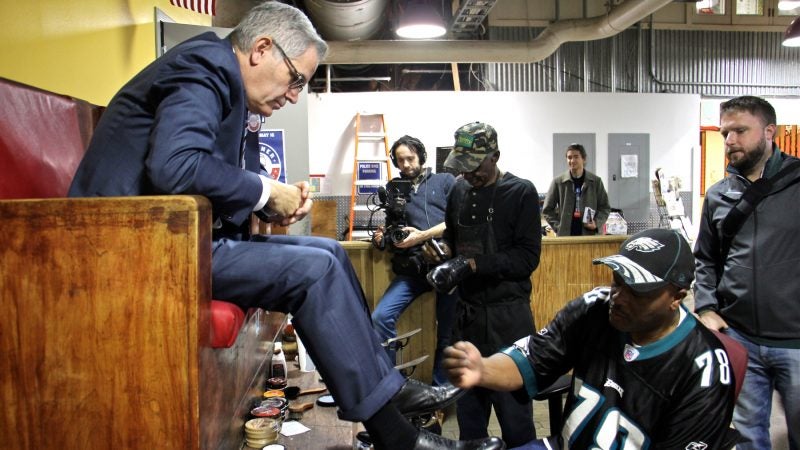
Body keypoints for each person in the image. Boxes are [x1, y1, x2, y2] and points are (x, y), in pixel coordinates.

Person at [66, 3, 503, 450]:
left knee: (328, 252)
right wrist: (266, 192)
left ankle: (388, 390)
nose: (295, 95)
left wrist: (272, 206)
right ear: (261, 49)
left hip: (171, 241)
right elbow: (175, 166)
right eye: (296, 79)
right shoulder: (204, 67)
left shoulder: (231, 86)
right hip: (125, 248)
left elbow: (213, 183)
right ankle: (397, 437)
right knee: (314, 270)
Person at [443, 228, 743, 450]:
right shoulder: (595, 308)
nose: (618, 297)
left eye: (637, 291)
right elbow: (531, 359)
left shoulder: (705, 369)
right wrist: (482, 369)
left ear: (676, 297)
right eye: (617, 281)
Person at [694, 95, 800, 450]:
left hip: (796, 342)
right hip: (740, 339)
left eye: (740, 130)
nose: (730, 141)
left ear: (769, 131)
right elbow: (704, 258)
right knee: (747, 438)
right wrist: (706, 307)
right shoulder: (719, 195)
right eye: (725, 132)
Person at [425, 122, 541, 447]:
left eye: (474, 166)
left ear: (495, 156)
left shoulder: (521, 192)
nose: (467, 174)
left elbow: (527, 258)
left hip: (509, 323)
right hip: (468, 321)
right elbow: (451, 236)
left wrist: (474, 264)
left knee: (516, 421)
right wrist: (443, 251)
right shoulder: (459, 191)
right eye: (461, 167)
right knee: (470, 422)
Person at [371, 135, 458, 386]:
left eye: (410, 158)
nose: (406, 164)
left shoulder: (445, 181)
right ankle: (392, 385)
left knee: (447, 333)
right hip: (414, 270)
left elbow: (456, 221)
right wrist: (383, 236)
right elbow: (392, 228)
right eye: (401, 160)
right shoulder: (393, 188)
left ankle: (440, 391)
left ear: (421, 156)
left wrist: (423, 235)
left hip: (447, 268)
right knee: (380, 317)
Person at [542, 143, 611, 236]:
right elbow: (547, 209)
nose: (572, 160)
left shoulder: (595, 182)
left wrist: (596, 223)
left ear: (584, 159)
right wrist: (559, 227)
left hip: (589, 235)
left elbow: (605, 207)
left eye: (576, 157)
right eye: (569, 157)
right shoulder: (558, 182)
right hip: (566, 237)